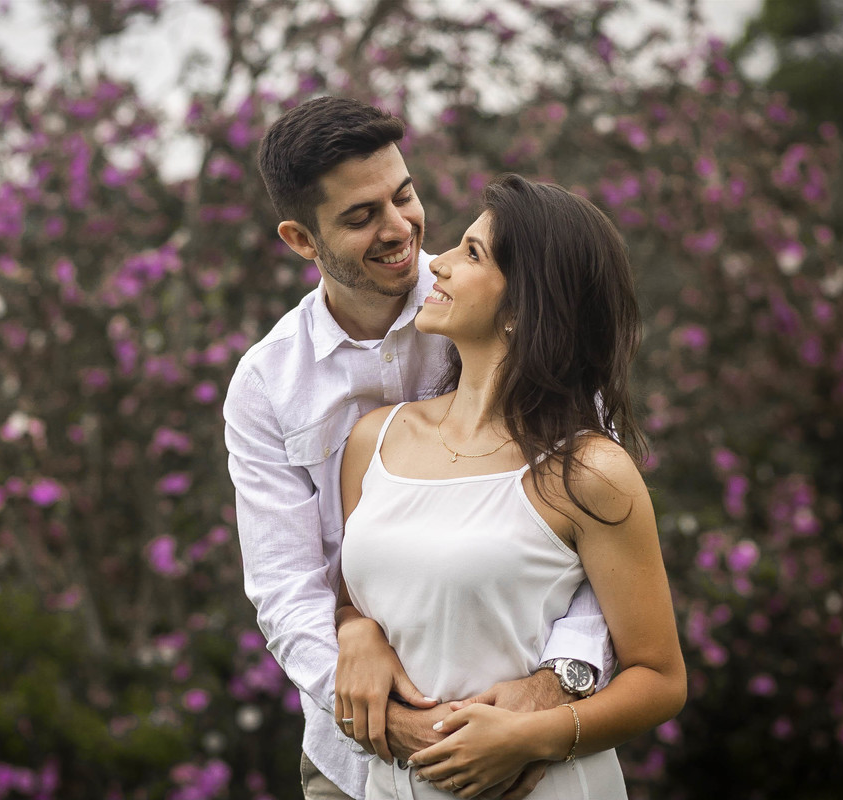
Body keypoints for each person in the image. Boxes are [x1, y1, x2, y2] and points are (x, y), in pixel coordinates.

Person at [224, 96, 614, 800]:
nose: (399, 227)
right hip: (354, 758)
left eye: (403, 195)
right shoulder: (267, 385)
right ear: (301, 240)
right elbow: (284, 585)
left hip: (525, 739)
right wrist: (360, 659)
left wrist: (554, 685)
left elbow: (602, 519)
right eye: (360, 216)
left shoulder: (497, 299)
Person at [336, 174, 687, 798]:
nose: (434, 264)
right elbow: (357, 599)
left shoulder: (588, 473)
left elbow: (659, 677)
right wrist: (352, 630)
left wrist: (536, 736)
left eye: (470, 254)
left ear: (524, 308)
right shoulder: (373, 440)